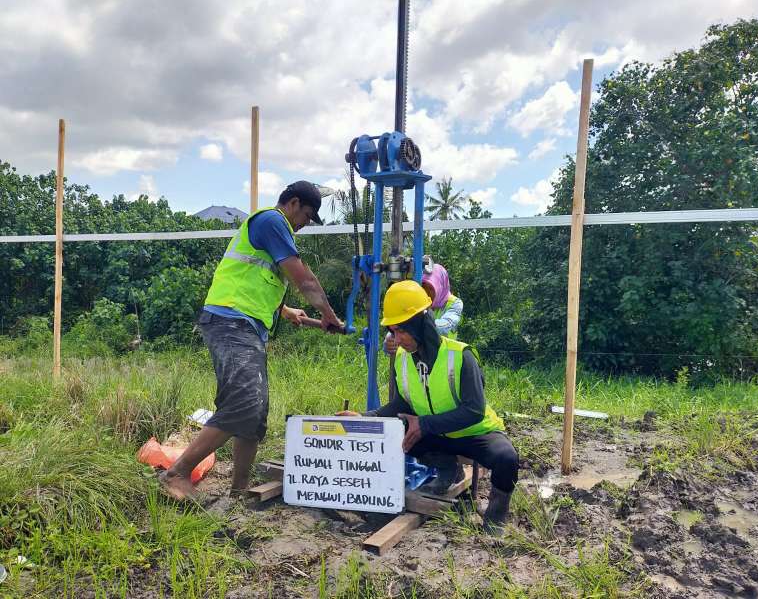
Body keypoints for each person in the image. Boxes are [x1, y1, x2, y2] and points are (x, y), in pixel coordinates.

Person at [160, 181, 344, 500]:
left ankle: (239, 491)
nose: (303, 224)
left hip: (247, 324)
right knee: (244, 402)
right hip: (231, 320)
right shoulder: (273, 220)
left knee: (255, 414)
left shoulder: (271, 230)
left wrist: (286, 311)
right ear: (293, 203)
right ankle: (176, 473)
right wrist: (328, 314)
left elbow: (257, 278)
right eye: (307, 215)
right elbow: (303, 278)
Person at [340, 280, 518, 535]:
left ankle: (496, 516)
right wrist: (364, 417)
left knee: (506, 458)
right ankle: (448, 468)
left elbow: (474, 410)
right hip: (437, 437)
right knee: (396, 432)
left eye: (402, 331)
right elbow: (402, 403)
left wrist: (424, 424)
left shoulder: (461, 356)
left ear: (420, 325)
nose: (397, 340)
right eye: (393, 331)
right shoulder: (403, 359)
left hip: (475, 434)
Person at [385, 263, 462, 354]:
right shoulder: (418, 302)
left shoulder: (454, 304)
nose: (427, 292)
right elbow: (401, 322)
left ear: (440, 287)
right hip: (420, 354)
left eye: (431, 288)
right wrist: (391, 336)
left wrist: (415, 324)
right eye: (424, 287)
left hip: (445, 355)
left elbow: (444, 326)